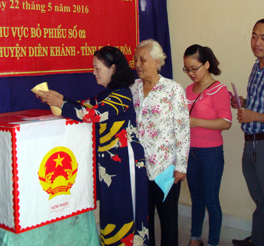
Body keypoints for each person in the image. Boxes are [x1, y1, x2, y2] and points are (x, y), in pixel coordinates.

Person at [37, 46, 149, 246]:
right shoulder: (107, 94)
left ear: (113, 69)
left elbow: (92, 115)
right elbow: (84, 106)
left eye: (97, 68)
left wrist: (61, 104)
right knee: (112, 210)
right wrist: (59, 99)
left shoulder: (122, 95)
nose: (93, 73)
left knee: (126, 211)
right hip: (111, 165)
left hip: (125, 163)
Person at [130, 39, 190, 246]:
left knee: (168, 220)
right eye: (135, 59)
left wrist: (181, 167)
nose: (137, 64)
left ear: (156, 61)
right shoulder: (133, 89)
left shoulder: (172, 89)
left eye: (142, 60)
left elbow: (182, 129)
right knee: (145, 221)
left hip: (166, 169)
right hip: (140, 167)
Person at [231, 18, 264, 246]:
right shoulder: (257, 66)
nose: (256, 42)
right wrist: (243, 102)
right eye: (254, 36)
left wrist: (255, 116)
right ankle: (258, 241)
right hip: (250, 142)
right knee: (260, 201)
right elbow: (261, 103)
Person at [183, 45, 232, 246]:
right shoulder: (187, 90)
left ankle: (212, 242)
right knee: (196, 198)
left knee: (211, 199)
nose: (191, 73)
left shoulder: (219, 90)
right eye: (187, 69)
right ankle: (195, 238)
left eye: (195, 68)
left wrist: (196, 122)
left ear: (207, 64)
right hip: (190, 151)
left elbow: (226, 123)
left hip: (210, 152)